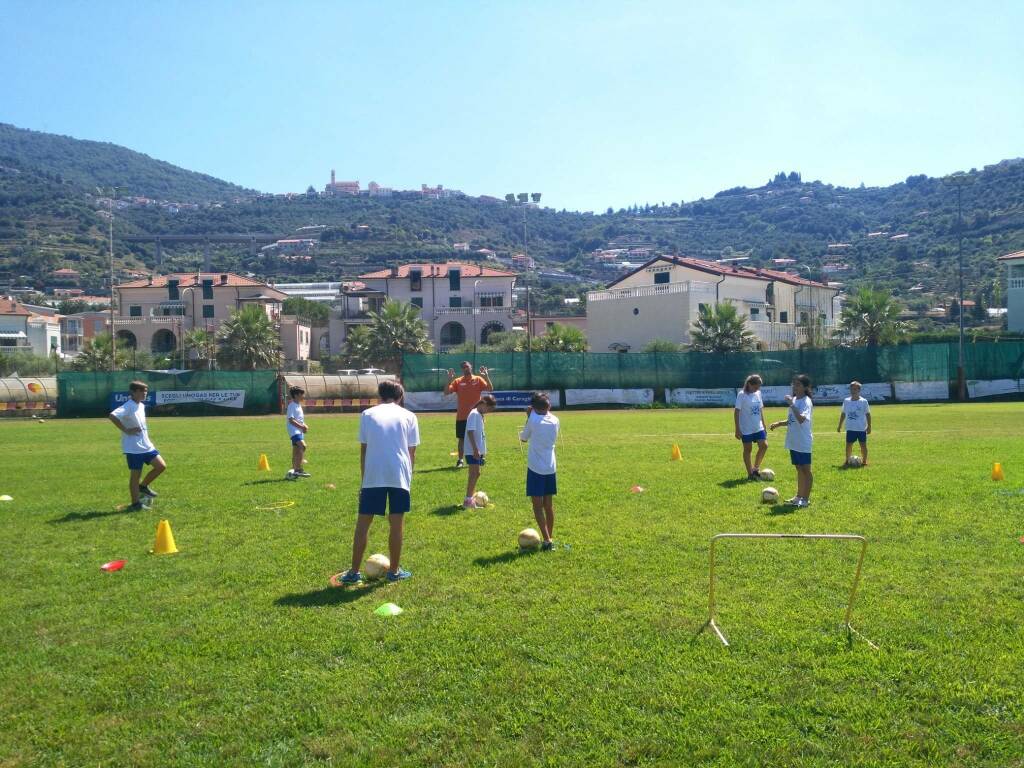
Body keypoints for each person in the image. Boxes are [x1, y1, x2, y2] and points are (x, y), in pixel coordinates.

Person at [339, 380, 419, 584]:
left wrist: (364, 480)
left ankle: (354, 573)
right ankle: (394, 571)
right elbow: (412, 453)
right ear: (400, 396)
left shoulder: (367, 414)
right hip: (399, 474)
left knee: (363, 524)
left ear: (379, 395)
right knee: (397, 524)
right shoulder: (409, 416)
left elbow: (364, 450)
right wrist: (407, 479)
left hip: (373, 475)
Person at [108, 380, 166, 511]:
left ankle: (143, 486)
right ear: (134, 392)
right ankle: (135, 504)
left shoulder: (141, 405)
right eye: (142, 391)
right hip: (133, 448)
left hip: (146, 445)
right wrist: (126, 430)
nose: (145, 393)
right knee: (135, 476)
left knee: (161, 466)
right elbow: (112, 416)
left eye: (146, 391)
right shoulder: (128, 405)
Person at [519, 392, 560, 551]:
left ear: (534, 407)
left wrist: (529, 416)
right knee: (548, 505)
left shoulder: (533, 420)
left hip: (536, 467)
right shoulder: (556, 420)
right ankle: (550, 537)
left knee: (537, 506)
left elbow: (523, 438)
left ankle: (547, 540)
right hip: (551, 467)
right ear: (549, 406)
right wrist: (533, 413)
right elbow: (544, 416)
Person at [769, 374, 813, 508]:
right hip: (793, 441)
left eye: (798, 384)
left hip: (803, 441)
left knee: (806, 470)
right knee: (799, 469)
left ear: (805, 387)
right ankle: (798, 496)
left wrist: (792, 404)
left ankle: (805, 499)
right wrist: (779, 423)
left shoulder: (806, 401)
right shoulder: (794, 399)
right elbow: (792, 420)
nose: (795, 386)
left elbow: (801, 419)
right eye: (794, 384)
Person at [445, 361, 492, 467]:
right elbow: (446, 392)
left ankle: (481, 457)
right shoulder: (457, 381)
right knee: (461, 438)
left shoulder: (478, 379)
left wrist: (486, 376)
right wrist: (449, 379)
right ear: (462, 369)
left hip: (477, 415)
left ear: (471, 367)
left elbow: (490, 389)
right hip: (462, 415)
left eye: (467, 366)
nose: (465, 368)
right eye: (463, 367)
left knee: (479, 436)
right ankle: (460, 460)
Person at [463, 393, 497, 508]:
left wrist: (482, 451)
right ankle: (468, 501)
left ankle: (470, 498)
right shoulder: (474, 414)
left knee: (475, 474)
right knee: (475, 474)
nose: (488, 411)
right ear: (483, 403)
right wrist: (475, 449)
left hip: (477, 451)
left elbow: (480, 434)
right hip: (472, 450)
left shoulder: (479, 415)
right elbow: (470, 432)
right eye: (489, 408)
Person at [734, 373, 768, 479]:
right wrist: (737, 429)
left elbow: (760, 409)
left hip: (758, 426)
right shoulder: (741, 395)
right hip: (746, 428)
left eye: (758, 387)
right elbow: (736, 412)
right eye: (755, 386)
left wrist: (764, 424)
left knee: (764, 446)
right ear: (749, 384)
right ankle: (750, 474)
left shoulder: (758, 393)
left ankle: (755, 469)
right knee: (748, 450)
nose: (757, 389)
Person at [837, 380, 872, 466]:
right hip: (850, 428)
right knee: (849, 445)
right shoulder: (846, 401)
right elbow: (843, 413)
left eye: (855, 389)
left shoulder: (864, 401)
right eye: (852, 389)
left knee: (863, 445)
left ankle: (864, 461)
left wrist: (869, 426)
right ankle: (847, 460)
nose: (853, 391)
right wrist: (840, 425)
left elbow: (868, 414)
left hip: (861, 428)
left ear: (859, 390)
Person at [285, 386, 310, 480]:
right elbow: (291, 420)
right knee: (303, 446)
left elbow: (299, 419)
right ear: (296, 395)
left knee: (296, 449)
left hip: (298, 430)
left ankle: (294, 469)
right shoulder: (292, 405)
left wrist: (304, 425)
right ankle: (298, 469)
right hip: (294, 430)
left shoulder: (298, 405)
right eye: (301, 394)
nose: (303, 396)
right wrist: (301, 426)